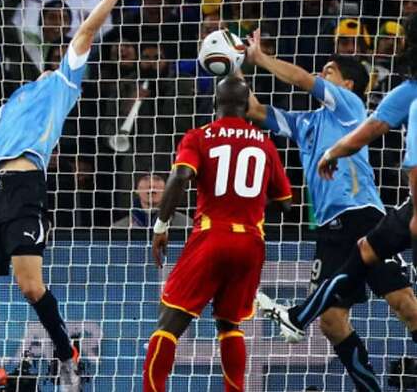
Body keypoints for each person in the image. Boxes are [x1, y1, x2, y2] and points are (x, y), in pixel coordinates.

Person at [0, 0, 142, 391]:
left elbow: (86, 33)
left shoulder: (63, 84)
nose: (59, 55)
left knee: (30, 287)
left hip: (25, 188)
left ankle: (67, 353)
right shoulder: (14, 101)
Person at [243, 28, 417, 391]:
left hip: (363, 214)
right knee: (332, 322)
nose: (322, 75)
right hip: (328, 226)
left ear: (348, 85)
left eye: (330, 71)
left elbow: (304, 80)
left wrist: (261, 58)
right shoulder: (306, 123)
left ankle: (296, 316)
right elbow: (254, 109)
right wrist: (231, 66)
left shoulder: (350, 107)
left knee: (404, 304)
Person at [144, 77, 292, 392]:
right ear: (246, 107)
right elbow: (286, 201)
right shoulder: (264, 142)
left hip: (212, 237)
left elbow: (180, 176)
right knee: (230, 324)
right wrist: (251, 208)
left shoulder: (200, 136)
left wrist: (161, 225)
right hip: (251, 241)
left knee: (169, 322)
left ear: (215, 105)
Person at [113, 174, 190, 228]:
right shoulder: (119, 228)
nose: (151, 185)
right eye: (145, 179)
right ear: (135, 188)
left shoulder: (187, 224)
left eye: (157, 179)